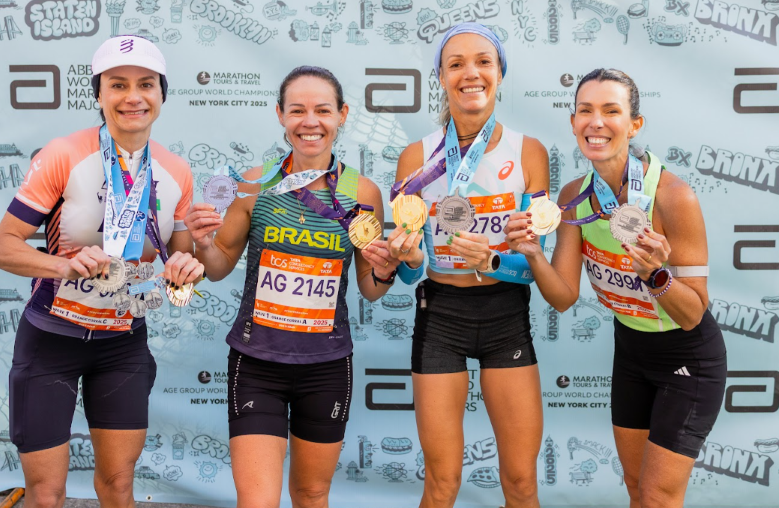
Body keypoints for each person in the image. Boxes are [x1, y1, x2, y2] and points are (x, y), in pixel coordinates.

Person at [505, 68, 727, 508]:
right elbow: (564, 297)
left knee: (659, 496)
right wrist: (533, 254)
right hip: (630, 351)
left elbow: (692, 314)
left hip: (687, 356)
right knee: (636, 487)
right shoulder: (573, 197)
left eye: (611, 111)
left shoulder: (673, 197)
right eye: (585, 111)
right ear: (573, 122)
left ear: (634, 124)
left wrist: (656, 275)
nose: (596, 122)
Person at [0, 36, 203, 508]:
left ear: (162, 93)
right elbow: (5, 244)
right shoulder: (64, 154)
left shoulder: (176, 171)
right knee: (47, 495)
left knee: (117, 488)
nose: (133, 97)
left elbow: (180, 269)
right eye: (118, 85)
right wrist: (63, 265)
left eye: (146, 84)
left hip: (123, 344)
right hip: (51, 340)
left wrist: (188, 268)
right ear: (98, 94)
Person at [184, 66, 396, 508]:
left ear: (342, 115)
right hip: (257, 363)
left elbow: (370, 288)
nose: (310, 122)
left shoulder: (363, 193)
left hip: (326, 366)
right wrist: (203, 244)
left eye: (323, 110)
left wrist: (386, 268)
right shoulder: (255, 184)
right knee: (257, 501)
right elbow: (218, 267)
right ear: (280, 115)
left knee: (311, 494)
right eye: (297, 110)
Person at [386, 23, 549, 508]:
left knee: (520, 482)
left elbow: (532, 266)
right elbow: (410, 272)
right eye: (455, 64)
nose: (470, 73)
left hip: (506, 316)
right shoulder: (416, 157)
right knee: (441, 483)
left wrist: (493, 260)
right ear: (441, 77)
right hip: (441, 317)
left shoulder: (528, 152)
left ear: (499, 73)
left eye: (483, 62)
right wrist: (409, 258)